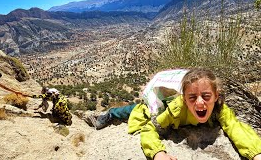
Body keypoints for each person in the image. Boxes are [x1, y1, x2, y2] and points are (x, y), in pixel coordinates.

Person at [90, 68, 261, 160]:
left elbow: (235, 128)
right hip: (161, 104)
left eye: (206, 96)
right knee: (138, 110)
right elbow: (150, 128)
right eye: (192, 97)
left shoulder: (219, 108)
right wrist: (158, 153)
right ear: (185, 99)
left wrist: (255, 153)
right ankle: (112, 113)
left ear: (216, 96)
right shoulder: (175, 108)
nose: (200, 102)